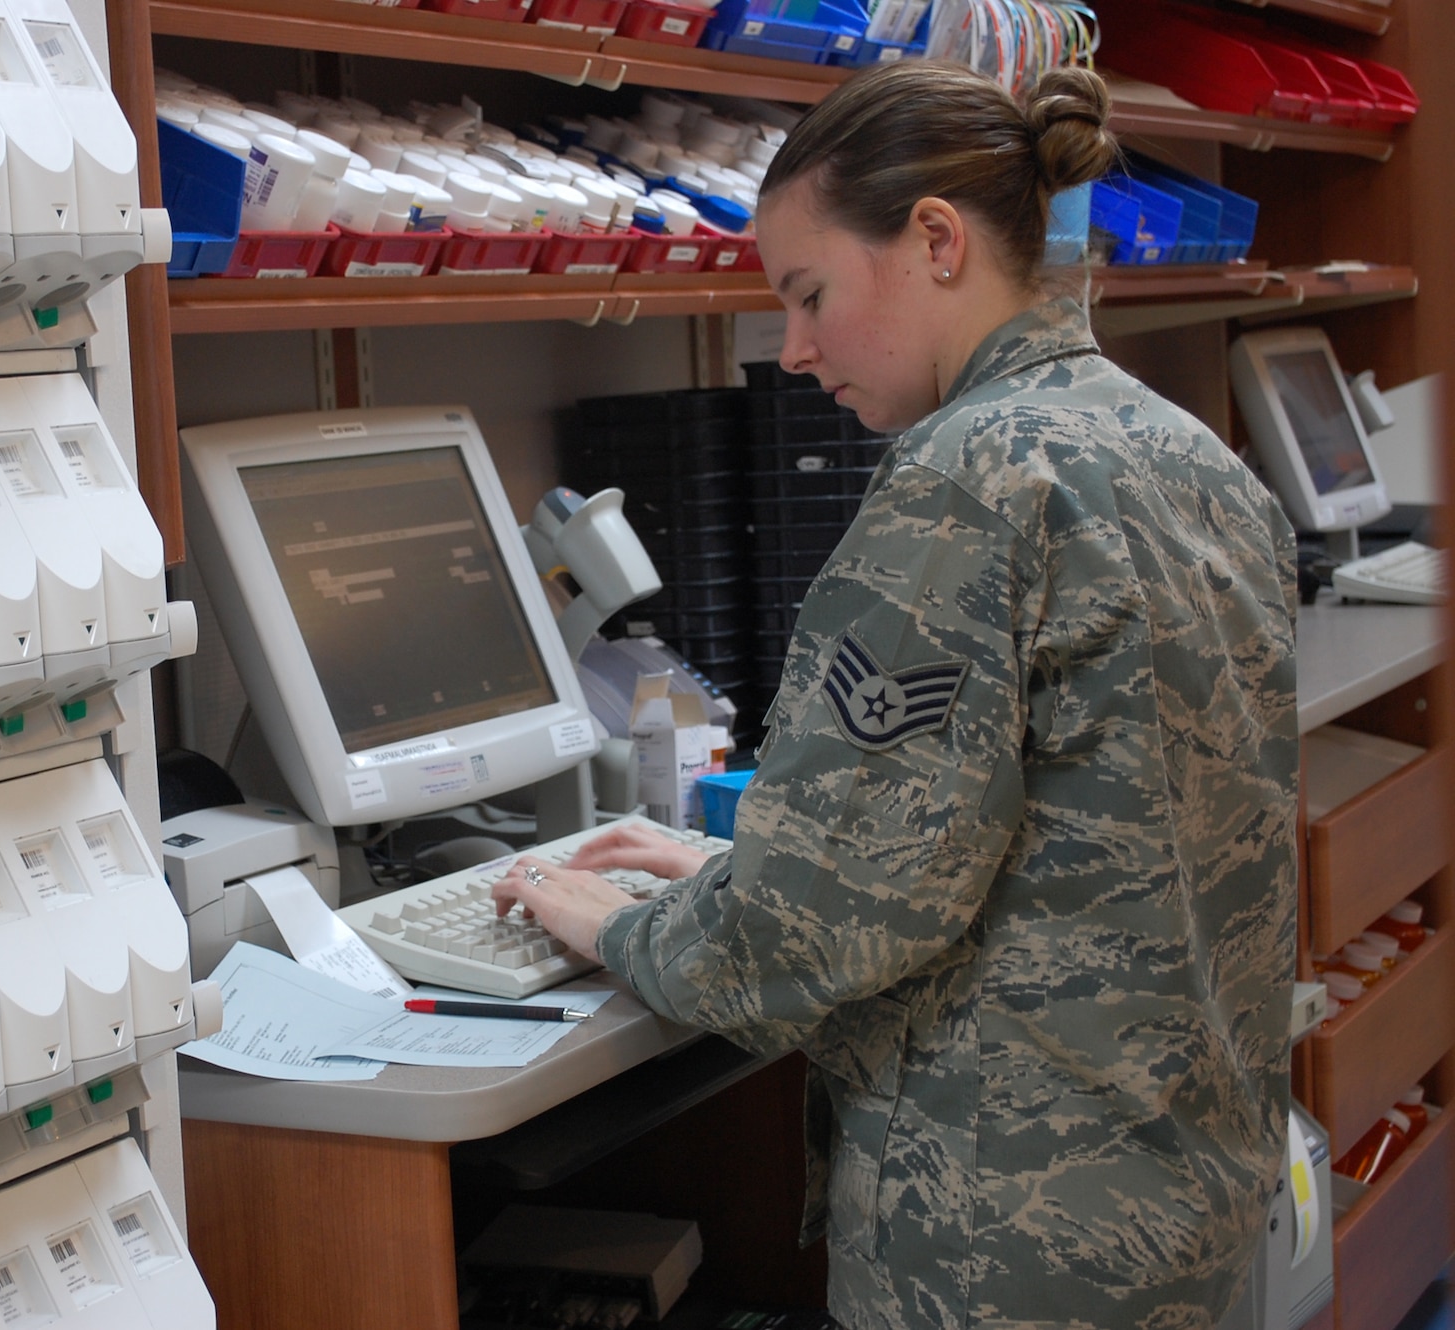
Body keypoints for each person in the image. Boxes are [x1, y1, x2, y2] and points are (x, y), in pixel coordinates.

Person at [491, 61, 1299, 1330]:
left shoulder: (967, 479)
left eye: (808, 295)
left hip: (1006, 1230)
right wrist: (728, 868)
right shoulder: (1184, 450)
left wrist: (613, 923)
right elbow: (1061, 837)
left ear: (932, 240)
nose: (795, 351)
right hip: (1181, 1181)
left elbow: (812, 931)